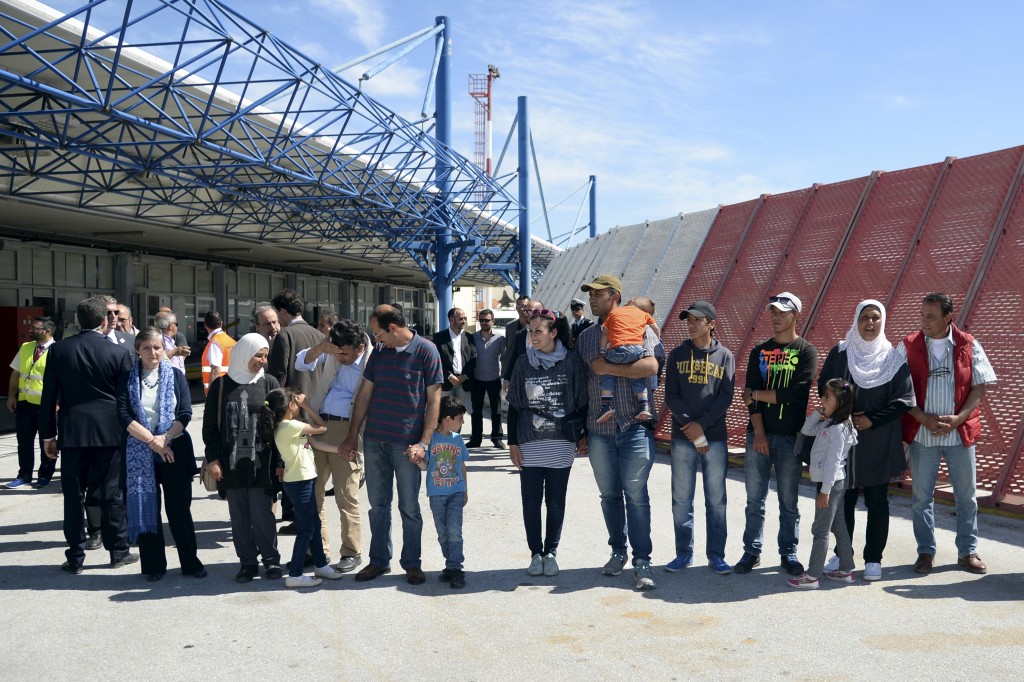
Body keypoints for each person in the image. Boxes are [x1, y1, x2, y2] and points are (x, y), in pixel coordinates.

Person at [339, 305, 442, 585]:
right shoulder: (380, 354)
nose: (376, 340)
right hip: (375, 442)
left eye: (378, 334)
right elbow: (364, 395)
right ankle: (378, 561)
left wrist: (424, 442)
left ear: (393, 328)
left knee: (409, 508)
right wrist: (353, 435)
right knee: (378, 506)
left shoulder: (426, 351)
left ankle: (412, 563)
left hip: (407, 446)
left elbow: (434, 399)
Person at [576, 274, 663, 591]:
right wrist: (579, 432)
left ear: (615, 296)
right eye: (590, 295)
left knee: (636, 497)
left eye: (597, 294)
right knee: (609, 496)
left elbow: (652, 367)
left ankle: (642, 561)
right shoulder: (586, 337)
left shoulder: (640, 325)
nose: (591, 299)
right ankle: (617, 552)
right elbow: (583, 386)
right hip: (599, 429)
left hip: (635, 427)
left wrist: (609, 368)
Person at [817, 300, 914, 582]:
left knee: (876, 501)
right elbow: (826, 386)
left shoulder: (893, 358)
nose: (870, 323)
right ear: (855, 321)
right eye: (864, 318)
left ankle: (873, 559)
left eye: (875, 318)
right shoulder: (841, 352)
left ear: (883, 322)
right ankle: (841, 554)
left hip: (878, 439)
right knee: (842, 499)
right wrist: (840, 415)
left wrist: (873, 419)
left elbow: (905, 400)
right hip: (843, 440)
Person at [900, 292, 996, 575]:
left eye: (930, 316)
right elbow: (899, 388)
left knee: (966, 496)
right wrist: (921, 417)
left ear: (948, 317)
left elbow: (979, 386)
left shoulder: (968, 344)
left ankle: (967, 552)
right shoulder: (907, 345)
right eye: (922, 315)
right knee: (921, 497)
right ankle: (925, 552)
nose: (924, 321)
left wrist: (958, 419)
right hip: (922, 433)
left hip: (959, 435)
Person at [39, 296, 136, 573]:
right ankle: (118, 552)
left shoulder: (59, 351)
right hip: (110, 433)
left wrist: (47, 436)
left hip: (72, 433)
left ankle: (75, 556)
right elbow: (128, 399)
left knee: (73, 496)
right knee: (113, 494)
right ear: (105, 321)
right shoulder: (119, 353)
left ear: (78, 322)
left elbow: (49, 398)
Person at [735, 292, 818, 576]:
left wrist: (757, 393)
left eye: (782, 312)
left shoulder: (807, 350)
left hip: (791, 437)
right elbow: (751, 401)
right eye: (773, 312)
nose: (776, 317)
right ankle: (751, 551)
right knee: (754, 500)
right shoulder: (759, 351)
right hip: (758, 434)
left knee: (788, 500)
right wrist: (758, 433)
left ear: (796, 315)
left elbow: (796, 394)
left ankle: (789, 552)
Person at [116, 328, 206, 581]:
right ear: (137, 350)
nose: (153, 352)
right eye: (147, 347)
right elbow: (123, 415)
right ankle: (154, 565)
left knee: (179, 510)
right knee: (148, 507)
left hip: (174, 449)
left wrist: (164, 438)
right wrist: (153, 442)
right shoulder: (127, 378)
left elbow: (185, 413)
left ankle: (190, 562)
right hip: (140, 451)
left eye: (157, 347)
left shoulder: (176, 375)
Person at [506, 310, 588, 579]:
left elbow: (582, 400)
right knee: (530, 501)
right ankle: (535, 553)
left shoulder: (572, 362)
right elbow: (516, 405)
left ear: (553, 332)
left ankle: (551, 552)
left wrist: (583, 434)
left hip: (561, 441)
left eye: (538, 331)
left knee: (555, 501)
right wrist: (513, 443)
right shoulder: (522, 363)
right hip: (529, 442)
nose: (533, 336)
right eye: (530, 331)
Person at [202, 333, 284, 583]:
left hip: (263, 463)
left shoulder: (269, 383)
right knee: (239, 517)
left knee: (263, 515)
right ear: (243, 354)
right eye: (258, 355)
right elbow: (210, 427)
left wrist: (280, 461)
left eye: (266, 356)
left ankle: (271, 560)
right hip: (231, 463)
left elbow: (281, 425)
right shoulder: (221, 386)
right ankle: (247, 562)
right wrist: (213, 459)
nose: (262, 360)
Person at [663, 301, 735, 575]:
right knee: (681, 499)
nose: (690, 325)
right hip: (683, 437)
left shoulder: (725, 355)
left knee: (716, 499)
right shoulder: (678, 354)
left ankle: (716, 555)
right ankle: (684, 554)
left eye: (696, 320)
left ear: (711, 323)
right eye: (688, 320)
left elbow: (725, 397)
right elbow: (671, 394)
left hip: (714, 437)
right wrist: (689, 425)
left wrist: (701, 426)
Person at [294, 319, 372, 573]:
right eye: (336, 351)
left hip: (348, 429)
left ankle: (351, 551)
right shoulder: (331, 353)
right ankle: (316, 550)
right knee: (312, 493)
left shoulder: (374, 359)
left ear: (359, 347)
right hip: (318, 424)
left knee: (345, 494)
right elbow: (300, 362)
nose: (340, 357)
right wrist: (321, 349)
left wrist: (356, 437)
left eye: (345, 353)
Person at [258, 388, 344, 588]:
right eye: (296, 403)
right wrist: (307, 406)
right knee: (306, 529)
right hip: (300, 483)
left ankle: (321, 564)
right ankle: (295, 574)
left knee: (312, 523)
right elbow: (322, 427)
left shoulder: (289, 426)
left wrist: (340, 451)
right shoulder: (290, 426)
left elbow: (314, 442)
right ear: (290, 406)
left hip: (303, 480)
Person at [787, 379, 858, 589]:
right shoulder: (830, 423)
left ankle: (812, 576)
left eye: (827, 397)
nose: (822, 399)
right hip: (832, 482)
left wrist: (825, 491)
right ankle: (846, 569)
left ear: (841, 402)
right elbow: (807, 429)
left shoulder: (838, 429)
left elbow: (833, 462)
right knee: (838, 525)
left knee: (820, 530)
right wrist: (820, 411)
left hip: (831, 483)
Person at [413, 396, 470, 589]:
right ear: (447, 419)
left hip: (456, 491)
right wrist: (416, 460)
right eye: (460, 418)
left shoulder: (458, 439)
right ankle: (450, 563)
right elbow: (425, 466)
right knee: (443, 533)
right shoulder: (430, 439)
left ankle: (456, 568)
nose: (462, 422)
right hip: (436, 494)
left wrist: (465, 489)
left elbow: (461, 465)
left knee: (455, 531)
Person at [6, 316, 57, 489]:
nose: (31, 331)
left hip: (46, 406)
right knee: (24, 442)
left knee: (47, 441)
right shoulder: (26, 348)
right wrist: (12, 396)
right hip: (25, 403)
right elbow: (15, 374)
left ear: (47, 331)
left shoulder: (57, 350)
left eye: (36, 328)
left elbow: (62, 380)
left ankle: (45, 474)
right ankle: (24, 475)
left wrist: (58, 402)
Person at [594, 297, 659, 424]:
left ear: (630, 302)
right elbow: (655, 328)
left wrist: (602, 352)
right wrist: (657, 339)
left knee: (607, 373)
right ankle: (644, 405)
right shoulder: (644, 315)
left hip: (617, 349)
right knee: (636, 376)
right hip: (637, 350)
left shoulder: (614, 312)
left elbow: (605, 334)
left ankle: (606, 406)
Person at [468, 309, 506, 449]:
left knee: (496, 411)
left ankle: (497, 438)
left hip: (494, 378)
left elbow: (505, 358)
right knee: (476, 411)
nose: (484, 322)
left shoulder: (500, 339)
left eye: (487, 320)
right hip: (477, 379)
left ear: (493, 321)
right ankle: (475, 439)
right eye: (481, 320)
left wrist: (505, 378)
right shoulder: (472, 338)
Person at [433, 307, 476, 424]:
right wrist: (449, 376)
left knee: (458, 413)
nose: (464, 321)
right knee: (443, 413)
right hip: (447, 382)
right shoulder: (439, 337)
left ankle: (455, 440)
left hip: (462, 383)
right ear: (452, 320)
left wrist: (465, 375)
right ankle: (442, 440)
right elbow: (437, 360)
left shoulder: (469, 337)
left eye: (465, 318)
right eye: (461, 318)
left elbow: (473, 359)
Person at [201, 310, 236, 394]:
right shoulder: (231, 341)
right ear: (221, 323)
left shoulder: (214, 342)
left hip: (219, 390)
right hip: (231, 387)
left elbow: (215, 370)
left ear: (205, 325)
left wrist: (211, 394)